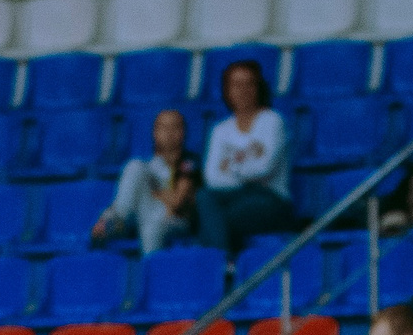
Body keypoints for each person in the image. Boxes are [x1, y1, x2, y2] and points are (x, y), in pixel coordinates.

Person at [197, 60, 298, 262]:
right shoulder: (220, 130)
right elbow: (212, 178)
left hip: (270, 199)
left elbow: (263, 169)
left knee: (213, 220)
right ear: (227, 91)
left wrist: (231, 166)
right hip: (232, 197)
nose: (242, 90)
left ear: (258, 87)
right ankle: (225, 265)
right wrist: (245, 169)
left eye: (248, 84)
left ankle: (220, 266)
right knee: (203, 197)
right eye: (236, 85)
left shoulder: (272, 121)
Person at [93, 108, 197, 254]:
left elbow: (176, 203)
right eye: (163, 128)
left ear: (183, 132)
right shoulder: (148, 166)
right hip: (138, 214)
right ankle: (115, 220)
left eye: (175, 127)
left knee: (152, 222)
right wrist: (158, 191)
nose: (169, 133)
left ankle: (150, 267)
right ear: (155, 132)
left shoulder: (189, 162)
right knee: (134, 166)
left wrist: (153, 190)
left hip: (175, 219)